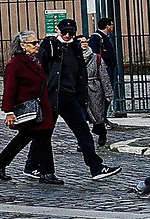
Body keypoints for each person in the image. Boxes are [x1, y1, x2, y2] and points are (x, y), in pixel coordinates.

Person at [36, 17, 121, 181]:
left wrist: (81, 96)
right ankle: (37, 168)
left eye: (71, 33)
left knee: (83, 132)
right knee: (44, 135)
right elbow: (40, 69)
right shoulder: (50, 45)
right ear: (58, 31)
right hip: (51, 97)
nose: (68, 35)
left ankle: (96, 168)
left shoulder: (75, 48)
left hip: (69, 97)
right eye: (65, 32)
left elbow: (80, 73)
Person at [0, 31, 60, 184]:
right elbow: (9, 89)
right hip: (30, 108)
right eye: (33, 43)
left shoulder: (34, 60)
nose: (37, 45)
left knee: (25, 137)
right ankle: (47, 173)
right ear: (23, 45)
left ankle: (0, 163)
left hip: (40, 107)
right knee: (42, 138)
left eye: (37, 42)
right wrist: (9, 112)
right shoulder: (16, 64)